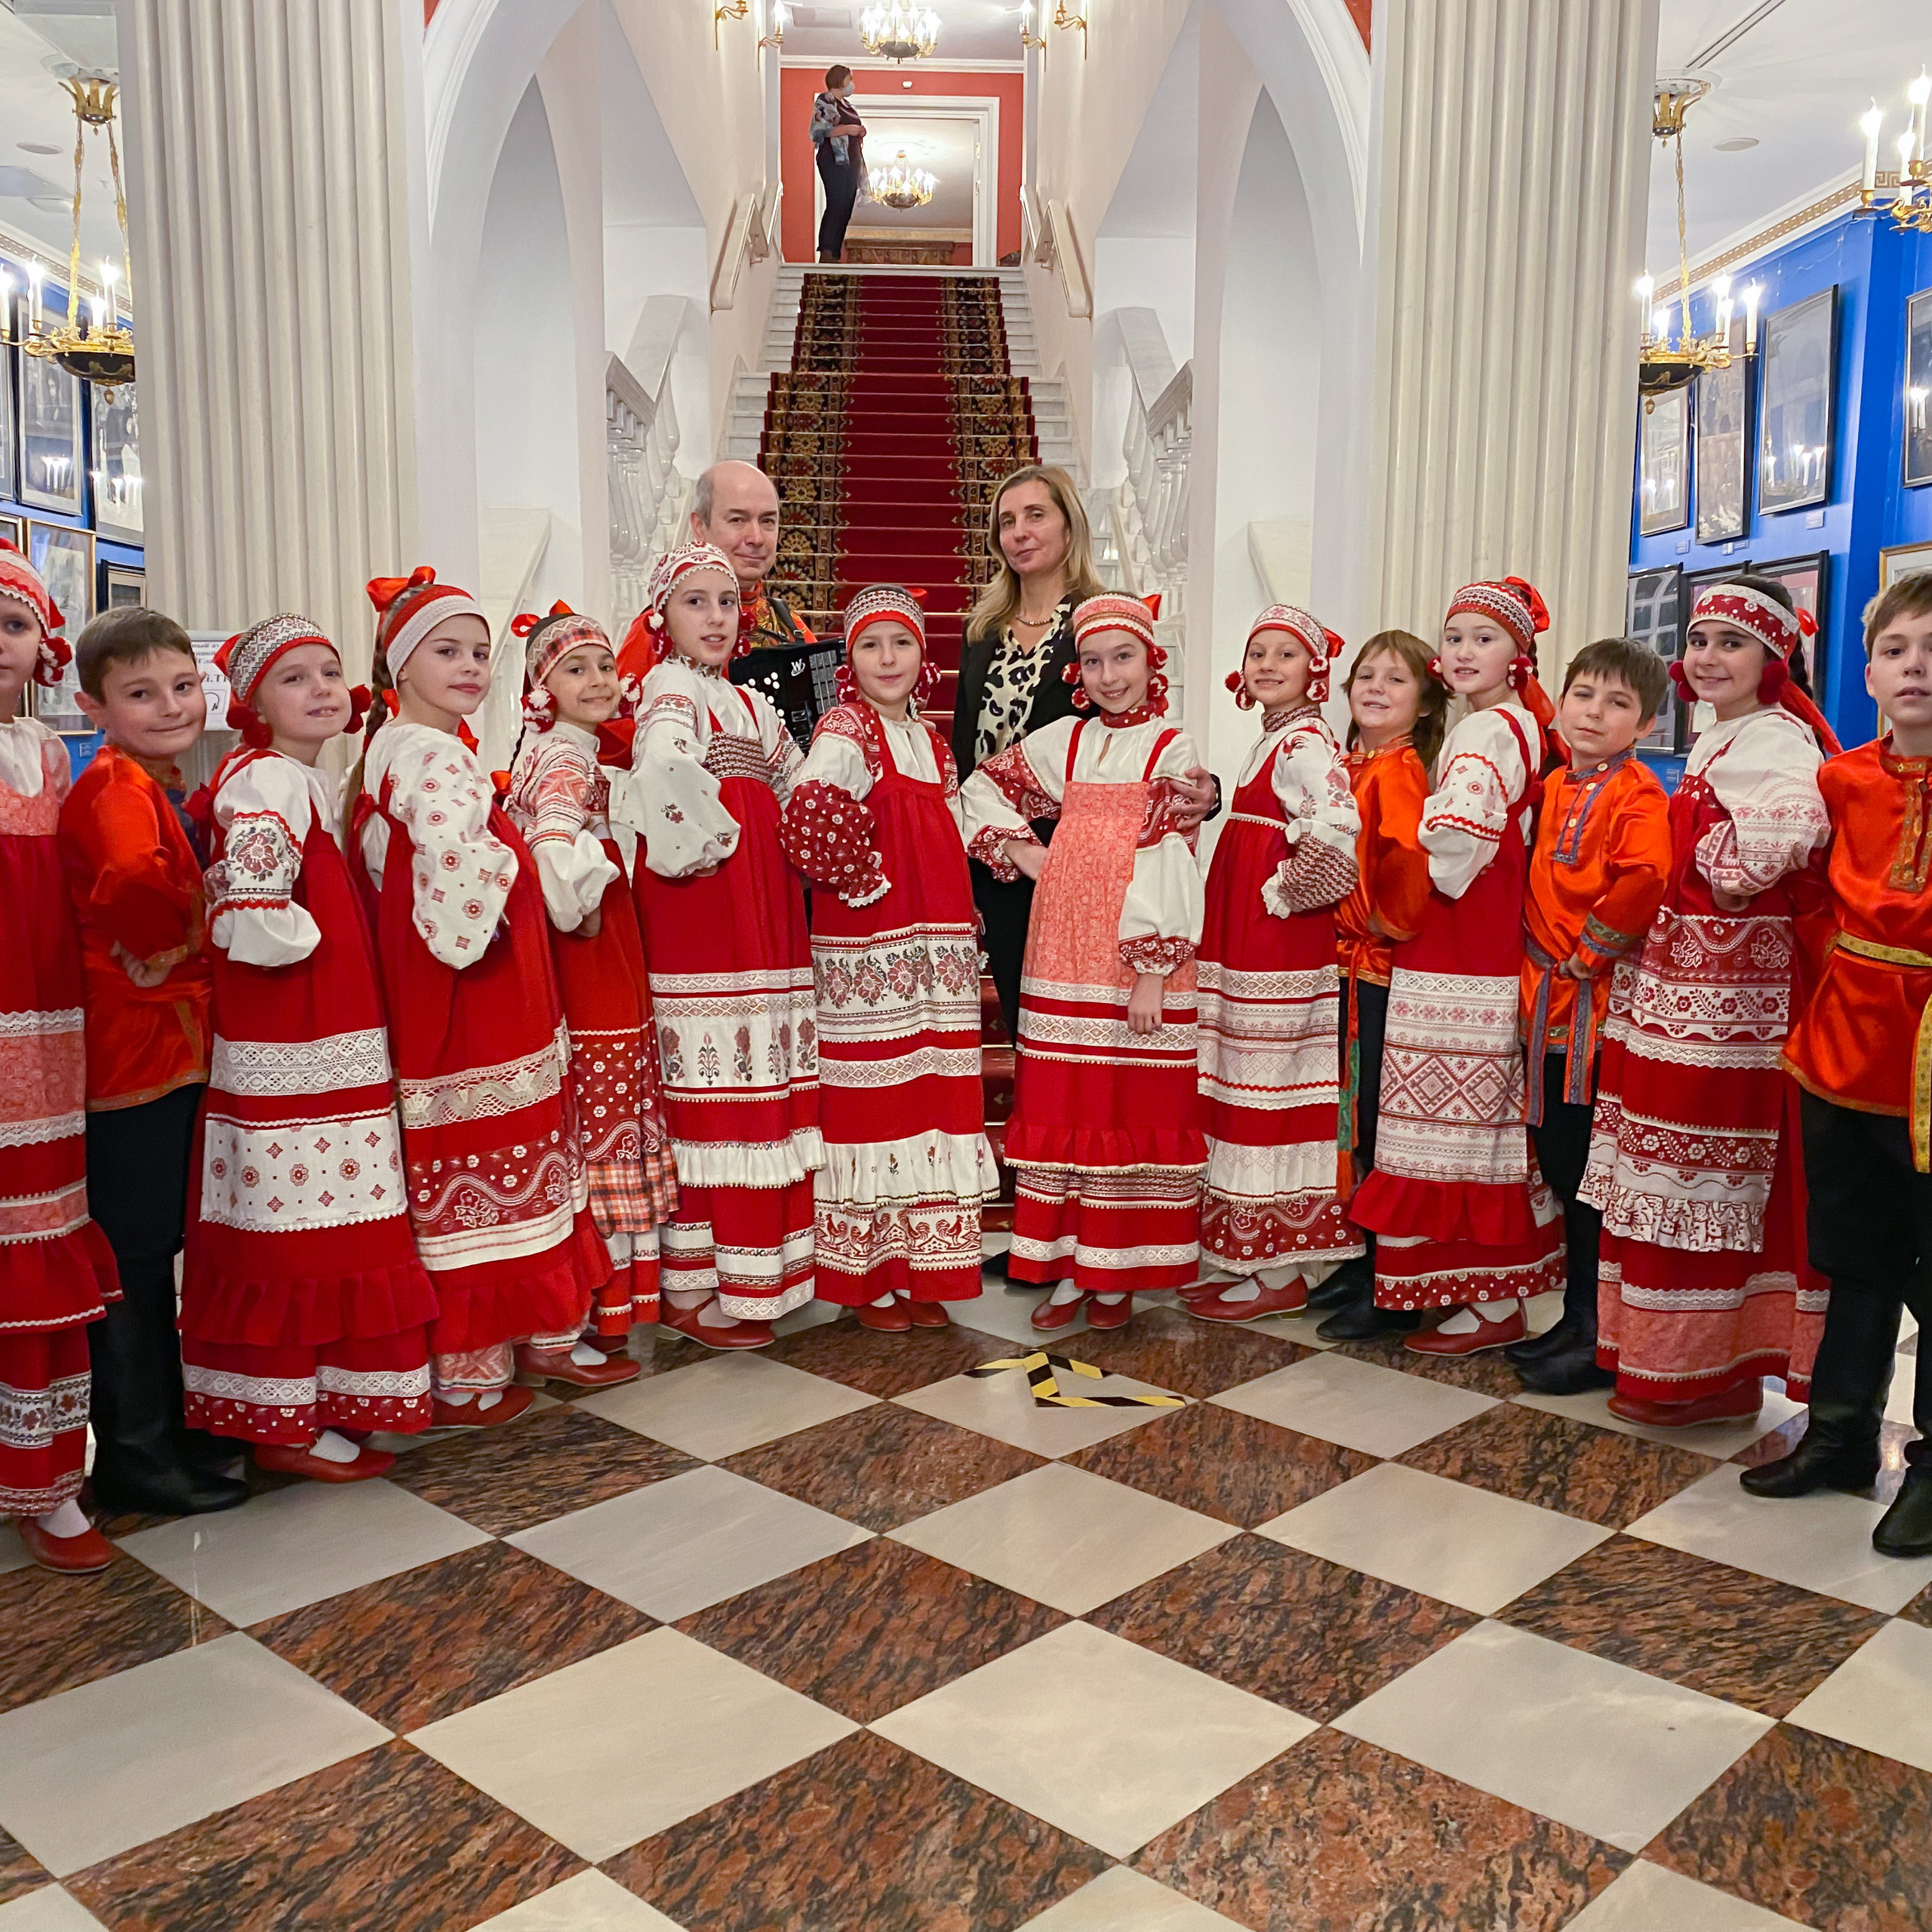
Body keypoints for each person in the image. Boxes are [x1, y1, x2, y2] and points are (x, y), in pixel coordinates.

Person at [350, 567, 617, 1422]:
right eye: (446, 651)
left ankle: (513, 1342)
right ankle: (479, 1364)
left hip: (464, 989)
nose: (470, 666)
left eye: (478, 652)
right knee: (493, 1160)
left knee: (484, 1162)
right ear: (401, 666)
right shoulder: (432, 759)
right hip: (475, 991)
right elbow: (459, 879)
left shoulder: (409, 749)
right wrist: (511, 871)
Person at [178, 615, 440, 1481]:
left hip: (321, 1024)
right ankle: (284, 1422)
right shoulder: (267, 780)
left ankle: (314, 1402)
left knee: (323, 1218)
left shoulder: (298, 779)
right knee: (298, 1228)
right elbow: (254, 911)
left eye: (330, 670)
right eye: (295, 678)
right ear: (256, 703)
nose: (322, 687)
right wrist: (318, 949)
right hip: (294, 1026)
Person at [1583, 577, 1835, 1426]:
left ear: (1772, 659)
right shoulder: (1721, 738)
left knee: (1704, 1171)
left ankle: (1700, 1369)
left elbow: (1801, 822)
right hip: (1687, 988)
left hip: (1730, 998)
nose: (1707, 657)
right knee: (1673, 1165)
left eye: (1732, 642)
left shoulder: (1776, 737)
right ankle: (1683, 1365)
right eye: (1699, 640)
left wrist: (1727, 873)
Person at [1746, 574, 1932, 1555]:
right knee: (1852, 1253)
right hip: (1840, 1046)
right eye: (1900, 649)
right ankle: (1842, 1435)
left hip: (1931, 1060)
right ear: (1868, 672)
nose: (1918, 668)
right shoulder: (1842, 779)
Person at [960, 592, 1206, 1332]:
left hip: (1132, 954)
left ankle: (1114, 1271)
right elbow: (980, 788)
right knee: (1067, 1099)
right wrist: (1028, 853)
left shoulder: (1171, 747)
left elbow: (1170, 858)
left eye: (1122, 657)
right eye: (1093, 661)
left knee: (1123, 1101)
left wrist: (1154, 969)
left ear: (1150, 662)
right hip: (1062, 945)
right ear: (1078, 672)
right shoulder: (1063, 739)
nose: (1108, 674)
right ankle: (1067, 1266)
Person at [61, 608, 249, 1516]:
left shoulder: (152, 779)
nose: (171, 704)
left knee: (153, 1255)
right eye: (142, 693)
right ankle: (135, 1456)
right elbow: (137, 890)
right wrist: (184, 939)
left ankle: (164, 1434)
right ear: (93, 701)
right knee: (134, 1262)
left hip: (161, 1050)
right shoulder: (114, 789)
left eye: (182, 685)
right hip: (133, 1060)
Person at [1347, 579, 1565, 1354]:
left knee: (1457, 1118)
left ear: (1519, 654)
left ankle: (1487, 1298)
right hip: (1473, 936)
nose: (1466, 651)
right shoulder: (1497, 725)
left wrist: (1427, 868)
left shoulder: (1485, 735)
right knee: (1464, 1115)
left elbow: (1452, 850)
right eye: (1456, 637)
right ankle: (1475, 1291)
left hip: (1460, 938)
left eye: (1485, 637)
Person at [612, 543, 820, 1348]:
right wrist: (719, 838)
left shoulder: (750, 703)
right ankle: (698, 1282)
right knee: (713, 1081)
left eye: (726, 603)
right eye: (695, 602)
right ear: (662, 616)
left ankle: (758, 1269)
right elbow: (662, 769)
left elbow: (795, 780)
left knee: (756, 1066)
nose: (715, 618)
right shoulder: (668, 688)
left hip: (760, 905)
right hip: (705, 897)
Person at [780, 585, 995, 1328]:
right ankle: (870, 1275)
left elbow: (953, 828)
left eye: (900, 642)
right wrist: (861, 873)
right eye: (870, 645)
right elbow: (807, 807)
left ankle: (922, 1269)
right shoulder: (848, 730)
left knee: (931, 1094)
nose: (887, 658)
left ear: (921, 654)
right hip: (871, 945)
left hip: (934, 949)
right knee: (878, 1099)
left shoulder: (932, 742)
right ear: (851, 660)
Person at [953, 464, 1215, 1043]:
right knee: (1029, 1017)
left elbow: (1139, 740)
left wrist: (1206, 791)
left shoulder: (1101, 621)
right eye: (1006, 522)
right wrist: (994, 841)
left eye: (1036, 515)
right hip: (1001, 847)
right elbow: (965, 744)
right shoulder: (982, 629)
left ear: (1070, 529)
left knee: (1088, 1019)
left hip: (1083, 852)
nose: (1019, 532)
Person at [504, 602, 676, 1359]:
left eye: (605, 665)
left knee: (597, 1097)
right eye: (575, 669)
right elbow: (552, 849)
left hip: (593, 940)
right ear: (543, 686)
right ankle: (603, 1302)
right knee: (608, 1094)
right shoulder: (570, 759)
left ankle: (598, 1299)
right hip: (592, 942)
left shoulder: (559, 749)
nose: (599, 679)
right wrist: (597, 875)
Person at [1504, 639, 1673, 1396]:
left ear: (1644, 724)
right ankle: (1575, 1317)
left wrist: (1588, 953)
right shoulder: (1555, 784)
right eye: (1583, 696)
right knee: (1559, 1162)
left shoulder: (1637, 794)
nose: (1594, 714)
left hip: (1588, 1007)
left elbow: (1646, 876)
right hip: (1539, 998)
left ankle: (1597, 1328)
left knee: (1586, 1173)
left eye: (1616, 704)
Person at [1186, 605, 1362, 1323]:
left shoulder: (1305, 743)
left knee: (1272, 1085)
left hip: (1274, 939)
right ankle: (1249, 1257)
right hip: (1246, 932)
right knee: (1241, 1081)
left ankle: (1281, 1270)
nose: (1266, 665)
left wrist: (1284, 892)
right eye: (1257, 652)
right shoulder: (1273, 739)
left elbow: (1338, 823)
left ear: (1314, 671)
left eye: (1285, 654)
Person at [0, 545, 121, 1571]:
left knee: (39, 1232)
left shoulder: (49, 752)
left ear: (43, 643)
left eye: (10, 622)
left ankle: (47, 1476)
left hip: (46, 1028)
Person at [1309, 632, 1442, 1342]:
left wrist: (1384, 926)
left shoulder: (1398, 771)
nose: (1377, 687)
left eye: (1396, 679)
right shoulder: (1350, 763)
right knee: (1349, 1121)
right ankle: (1362, 1261)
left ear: (1423, 704)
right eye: (1366, 674)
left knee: (1372, 1122)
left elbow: (1408, 860)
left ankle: (1395, 1281)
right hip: (1340, 964)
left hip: (1372, 970)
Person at [691, 460, 839, 746]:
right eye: (738, 520)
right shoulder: (661, 626)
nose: (756, 538)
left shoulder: (788, 622)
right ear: (700, 527)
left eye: (768, 521)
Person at [809, 66, 866, 263]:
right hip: (833, 159)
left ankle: (835, 252)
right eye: (849, 79)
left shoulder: (848, 106)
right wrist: (846, 129)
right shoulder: (825, 101)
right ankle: (827, 251)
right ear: (840, 80)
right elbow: (818, 132)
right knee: (836, 203)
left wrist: (858, 130)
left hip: (851, 160)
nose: (852, 84)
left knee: (846, 206)